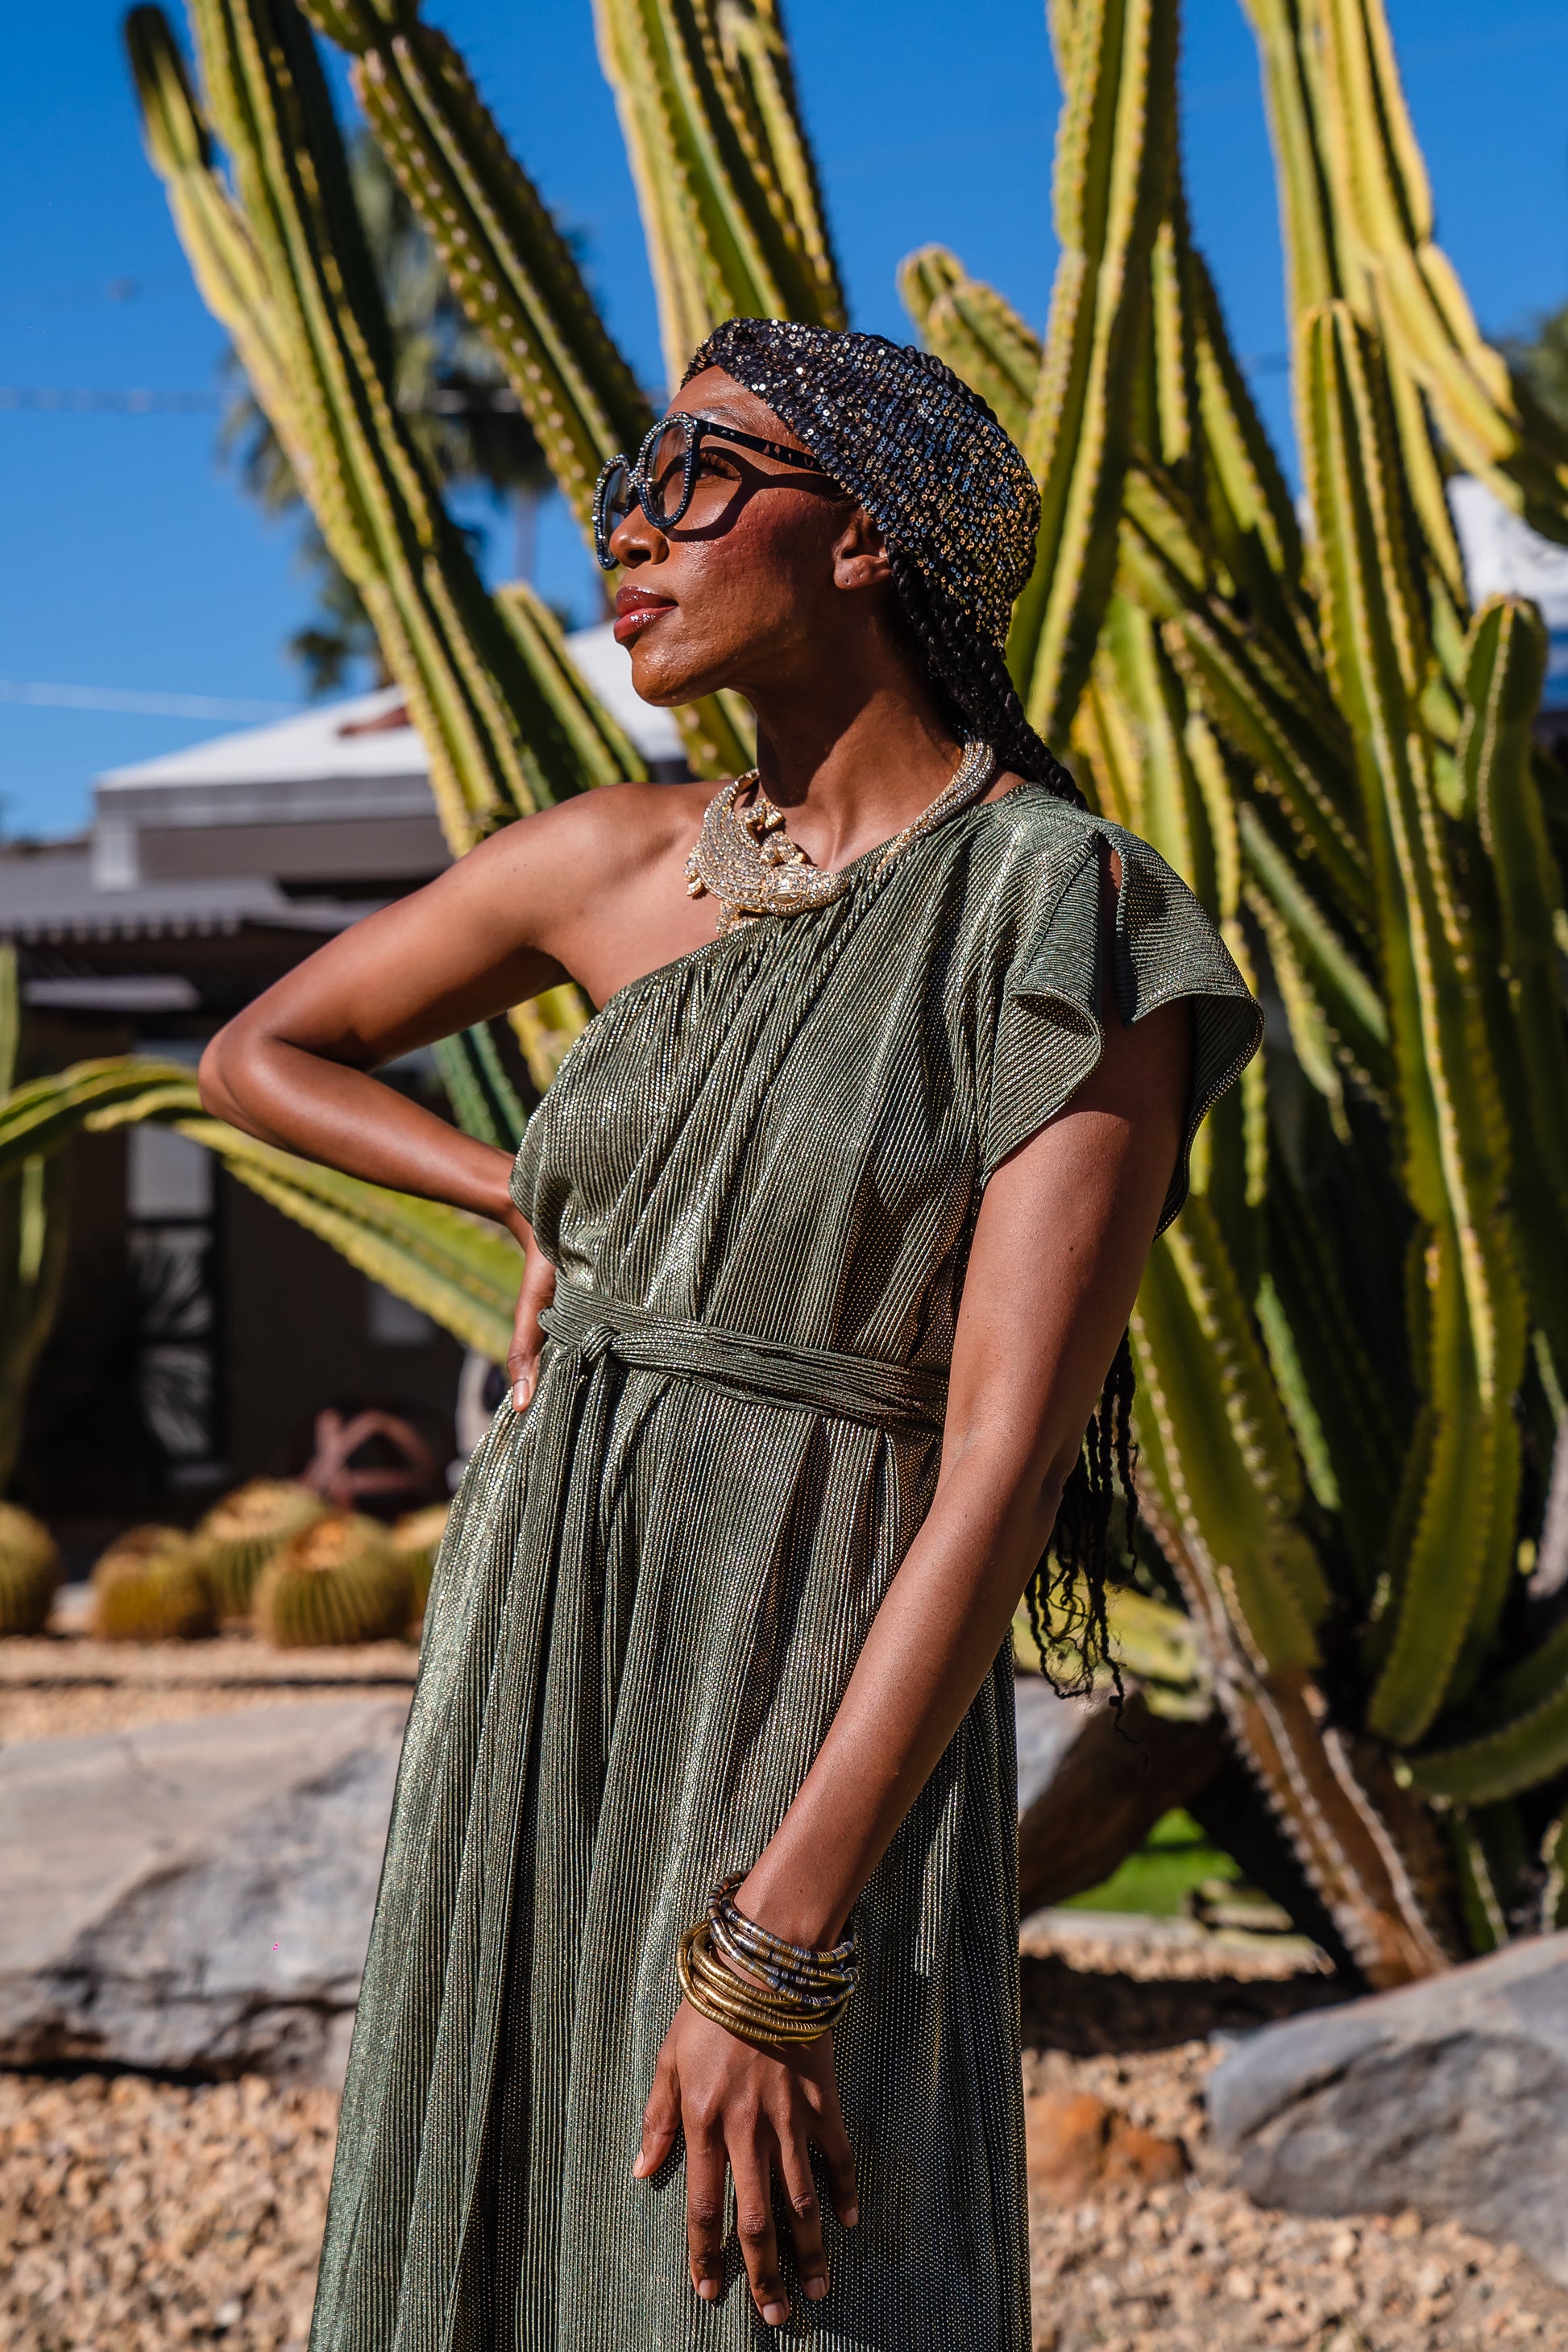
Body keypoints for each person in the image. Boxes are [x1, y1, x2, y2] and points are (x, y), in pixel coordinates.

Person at [201, 318, 1261, 2352]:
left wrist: (779, 1940)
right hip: (538, 1620)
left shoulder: (1062, 909)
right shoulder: (611, 856)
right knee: (514, 2202)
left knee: (766, 2272)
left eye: (700, 472)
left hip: (805, 1632)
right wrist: (529, 1194)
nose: (628, 523)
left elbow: (1005, 1465)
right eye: (626, 472)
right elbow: (264, 1050)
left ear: (866, 539)